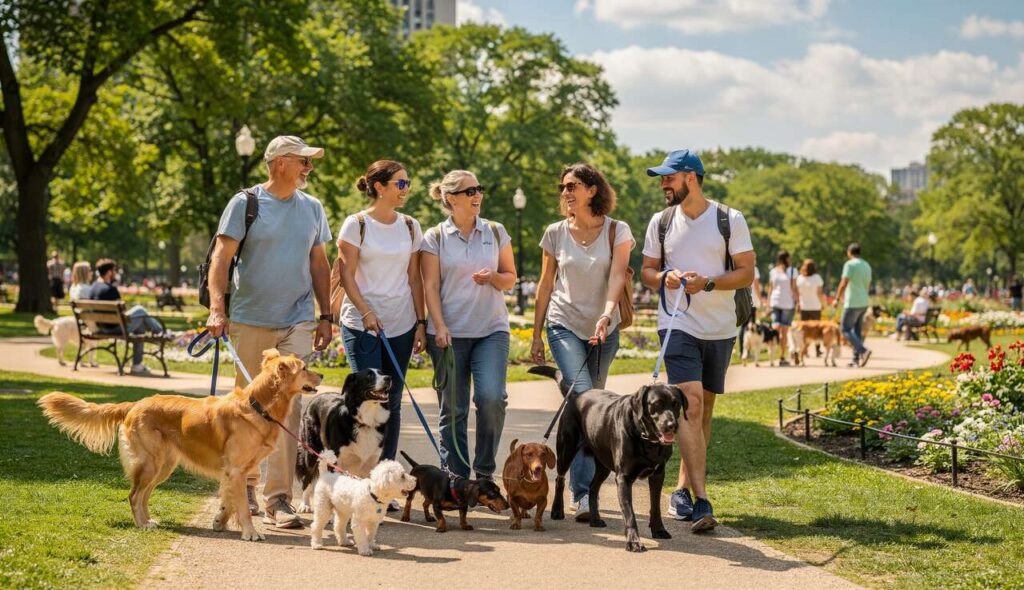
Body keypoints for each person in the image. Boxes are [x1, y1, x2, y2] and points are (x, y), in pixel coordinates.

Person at [206, 135, 334, 528]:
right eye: (303, 162)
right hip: (249, 318)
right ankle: (244, 484)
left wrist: (326, 315)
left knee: (289, 407)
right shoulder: (246, 203)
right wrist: (217, 308)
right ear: (280, 162)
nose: (309, 168)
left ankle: (279, 498)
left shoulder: (312, 208)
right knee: (247, 408)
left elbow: (319, 264)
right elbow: (221, 257)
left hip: (296, 319)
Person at [640, 149, 754, 533]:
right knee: (687, 400)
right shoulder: (661, 221)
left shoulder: (729, 219)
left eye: (668, 177)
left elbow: (746, 273)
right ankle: (703, 500)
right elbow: (647, 272)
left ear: (690, 177)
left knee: (702, 412)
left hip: (720, 327)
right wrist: (665, 279)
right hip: (676, 322)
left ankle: (682, 488)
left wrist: (707, 282)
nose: (663, 185)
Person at [532, 162, 634, 522]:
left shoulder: (617, 231)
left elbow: (618, 276)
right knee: (586, 399)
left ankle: (585, 489)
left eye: (572, 186)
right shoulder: (555, 232)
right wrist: (535, 334)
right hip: (563, 324)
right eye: (562, 187)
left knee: (595, 412)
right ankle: (582, 495)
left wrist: (606, 316)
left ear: (593, 189)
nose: (565, 193)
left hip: (605, 329)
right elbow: (545, 285)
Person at [338, 159, 427, 507]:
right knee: (365, 401)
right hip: (362, 322)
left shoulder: (409, 226)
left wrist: (420, 323)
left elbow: (415, 278)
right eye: (400, 184)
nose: (406, 189)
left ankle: (386, 483)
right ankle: (353, 482)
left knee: (391, 402)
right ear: (380, 187)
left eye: (407, 183)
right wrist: (365, 311)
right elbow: (346, 275)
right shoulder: (356, 224)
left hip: (401, 323)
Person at [421, 170, 517, 480]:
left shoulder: (496, 231)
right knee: (453, 410)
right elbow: (430, 286)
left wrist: (493, 279)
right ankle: (457, 478)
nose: (477, 195)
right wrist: (438, 324)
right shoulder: (434, 237)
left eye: (479, 189)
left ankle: (484, 472)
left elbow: (510, 279)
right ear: (450, 199)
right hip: (449, 334)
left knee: (491, 398)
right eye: (469, 191)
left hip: (491, 330)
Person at [89, 258, 168, 375]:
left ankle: (137, 365)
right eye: (114, 270)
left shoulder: (93, 287)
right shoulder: (110, 289)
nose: (115, 273)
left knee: (140, 325)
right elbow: (123, 314)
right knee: (140, 310)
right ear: (110, 272)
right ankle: (162, 332)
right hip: (115, 328)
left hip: (101, 327)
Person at [834, 243, 873, 367]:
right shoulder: (866, 265)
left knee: (844, 329)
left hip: (852, 302)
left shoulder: (849, 264)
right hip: (864, 301)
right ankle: (855, 359)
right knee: (856, 331)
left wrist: (837, 298)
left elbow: (844, 282)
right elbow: (868, 284)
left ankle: (863, 351)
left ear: (849, 253)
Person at [767, 251, 798, 366]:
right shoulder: (792, 271)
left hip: (777, 302)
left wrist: (768, 302)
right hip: (786, 303)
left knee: (777, 329)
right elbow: (794, 289)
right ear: (787, 259)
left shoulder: (773, 272)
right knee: (782, 331)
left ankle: (776, 355)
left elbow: (771, 288)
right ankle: (781, 356)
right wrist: (798, 302)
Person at [796, 258, 826, 356]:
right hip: (815, 306)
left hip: (804, 306)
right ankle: (817, 350)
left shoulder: (800, 278)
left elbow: (798, 293)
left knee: (804, 330)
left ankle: (804, 350)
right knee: (817, 330)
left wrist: (798, 304)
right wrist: (823, 304)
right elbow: (819, 293)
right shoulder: (817, 278)